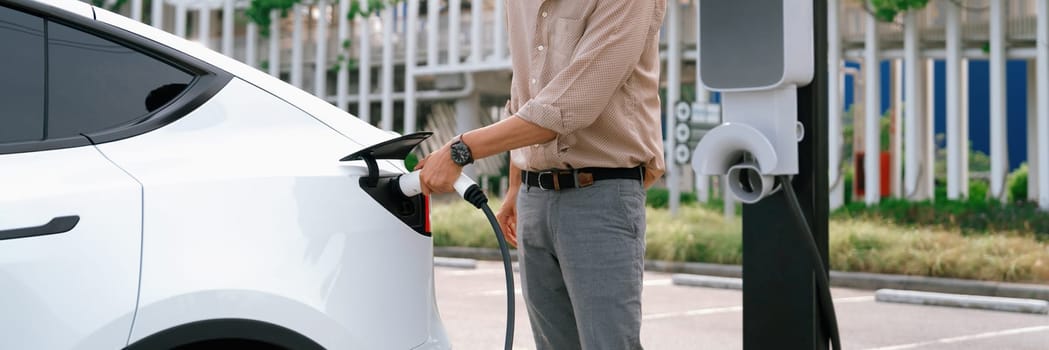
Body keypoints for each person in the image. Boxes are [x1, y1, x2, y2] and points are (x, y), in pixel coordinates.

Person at [415, 1, 666, 349]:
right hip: (535, 197)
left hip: (600, 196)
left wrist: (462, 149)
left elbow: (571, 105)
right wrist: (516, 184)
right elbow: (526, 91)